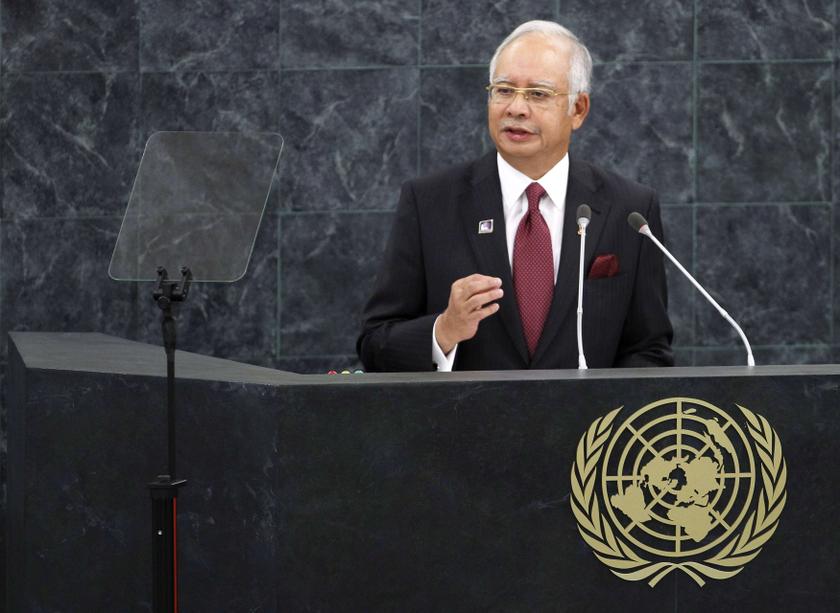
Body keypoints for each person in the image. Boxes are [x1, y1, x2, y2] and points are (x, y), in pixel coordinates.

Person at [357, 20, 673, 372]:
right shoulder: (430, 202)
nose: (516, 108)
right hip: (463, 423)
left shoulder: (630, 209)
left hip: (588, 425)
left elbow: (649, 350)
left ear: (579, 109)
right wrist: (443, 331)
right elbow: (375, 344)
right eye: (504, 90)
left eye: (538, 94)